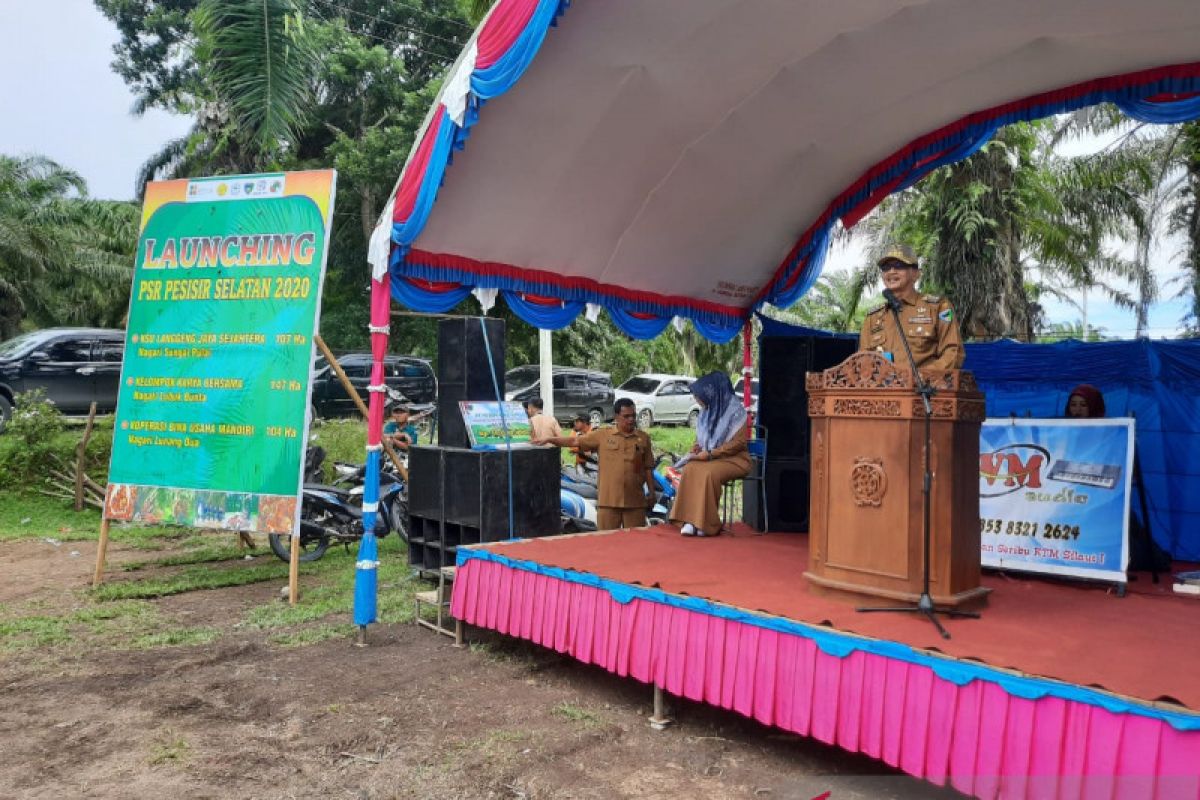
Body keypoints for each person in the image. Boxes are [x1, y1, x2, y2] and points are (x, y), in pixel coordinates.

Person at [533, 398, 655, 530]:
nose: (631, 420)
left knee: (635, 542)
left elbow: (648, 468)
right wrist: (550, 439)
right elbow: (574, 441)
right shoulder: (603, 435)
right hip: (608, 502)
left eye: (633, 416)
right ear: (616, 417)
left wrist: (652, 493)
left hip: (635, 502)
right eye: (626, 416)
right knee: (606, 542)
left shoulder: (643, 438)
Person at [669, 372, 751, 537]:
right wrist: (696, 449)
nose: (696, 399)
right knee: (690, 468)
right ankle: (689, 521)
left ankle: (706, 524)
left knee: (707, 473)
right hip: (710, 457)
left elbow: (738, 444)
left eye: (699, 395)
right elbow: (701, 438)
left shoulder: (736, 412)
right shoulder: (706, 411)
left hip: (735, 460)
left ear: (713, 392)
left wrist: (711, 454)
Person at [859, 244, 964, 371]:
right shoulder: (873, 317)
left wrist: (921, 377)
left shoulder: (939, 307)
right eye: (886, 268)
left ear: (916, 274)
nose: (891, 271)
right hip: (883, 389)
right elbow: (863, 360)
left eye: (899, 266)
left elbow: (953, 352)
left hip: (925, 387)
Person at [569, 413, 599, 478]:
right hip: (580, 466)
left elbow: (590, 453)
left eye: (577, 421)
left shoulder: (595, 432)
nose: (575, 423)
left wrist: (579, 450)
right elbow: (572, 448)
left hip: (595, 468)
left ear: (584, 422)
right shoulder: (575, 431)